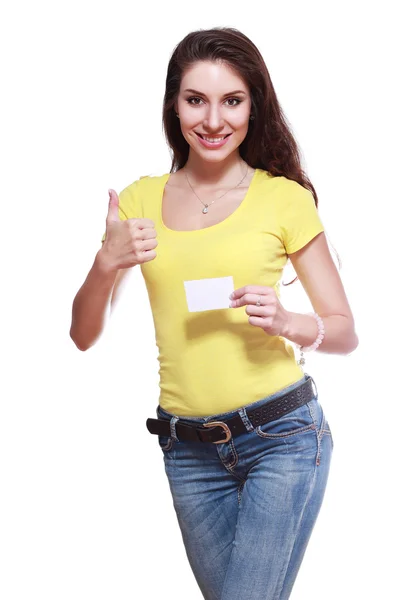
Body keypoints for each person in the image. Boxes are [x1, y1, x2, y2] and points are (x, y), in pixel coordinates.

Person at [70, 27, 358, 600]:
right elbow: (82, 335)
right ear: (174, 105)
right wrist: (106, 264)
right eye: (195, 99)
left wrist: (287, 320)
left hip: (283, 437)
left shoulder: (283, 199)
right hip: (187, 453)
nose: (213, 119)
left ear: (255, 106)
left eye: (233, 100)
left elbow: (345, 331)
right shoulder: (139, 201)